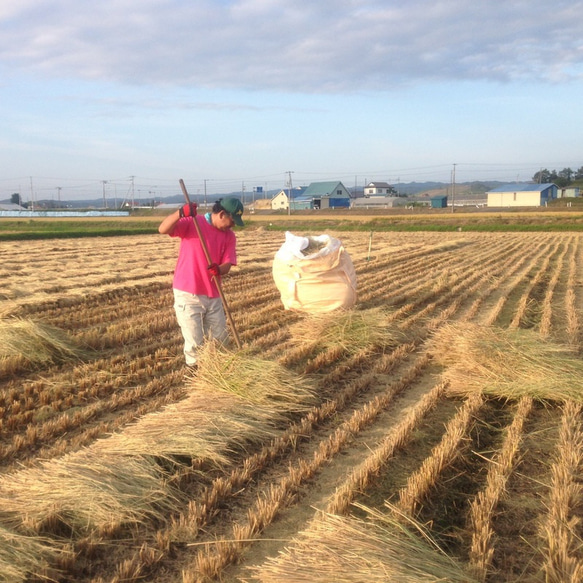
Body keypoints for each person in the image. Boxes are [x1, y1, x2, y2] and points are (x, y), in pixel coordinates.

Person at [158, 197, 244, 368]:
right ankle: (196, 378)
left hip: (213, 294)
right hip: (188, 293)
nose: (232, 226)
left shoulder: (229, 236)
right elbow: (163, 229)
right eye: (232, 221)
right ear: (221, 214)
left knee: (220, 339)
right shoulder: (193, 223)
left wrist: (219, 269)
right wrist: (181, 213)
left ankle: (220, 375)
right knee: (195, 343)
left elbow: (228, 264)